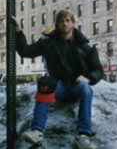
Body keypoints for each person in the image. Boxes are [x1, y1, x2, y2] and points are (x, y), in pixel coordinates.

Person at [12, 9, 103, 149]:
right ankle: (37, 131)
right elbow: (25, 51)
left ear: (73, 23)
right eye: (61, 21)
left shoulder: (85, 45)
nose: (64, 23)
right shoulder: (47, 42)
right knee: (45, 84)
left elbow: (98, 69)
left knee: (86, 89)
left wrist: (88, 78)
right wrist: (18, 31)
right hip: (57, 86)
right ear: (57, 24)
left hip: (77, 85)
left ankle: (83, 135)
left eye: (68, 20)